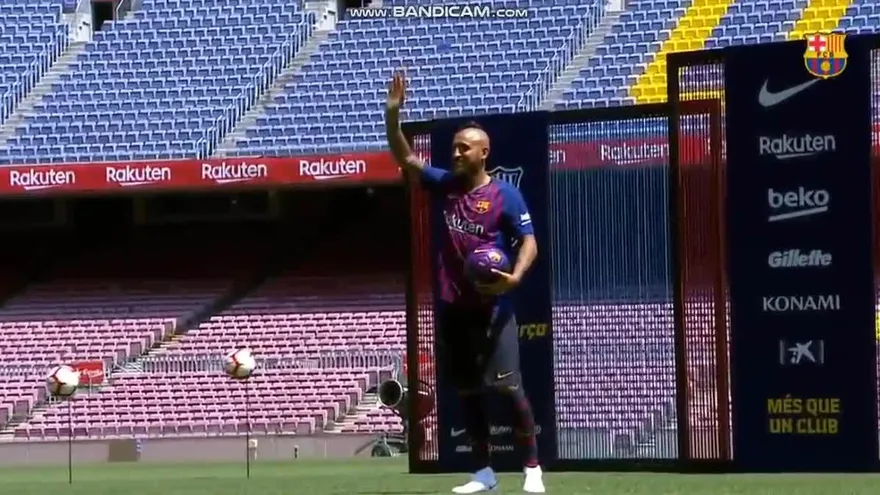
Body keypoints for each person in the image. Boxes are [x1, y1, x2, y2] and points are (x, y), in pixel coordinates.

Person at [384, 69, 546, 494]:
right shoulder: (446, 186)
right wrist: (393, 117)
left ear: (483, 153)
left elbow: (529, 242)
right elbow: (406, 159)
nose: (455, 153)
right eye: (454, 147)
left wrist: (514, 277)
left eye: (464, 147)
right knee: (469, 393)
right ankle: (483, 473)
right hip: (454, 309)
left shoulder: (505, 195)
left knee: (509, 389)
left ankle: (532, 469)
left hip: (493, 310)